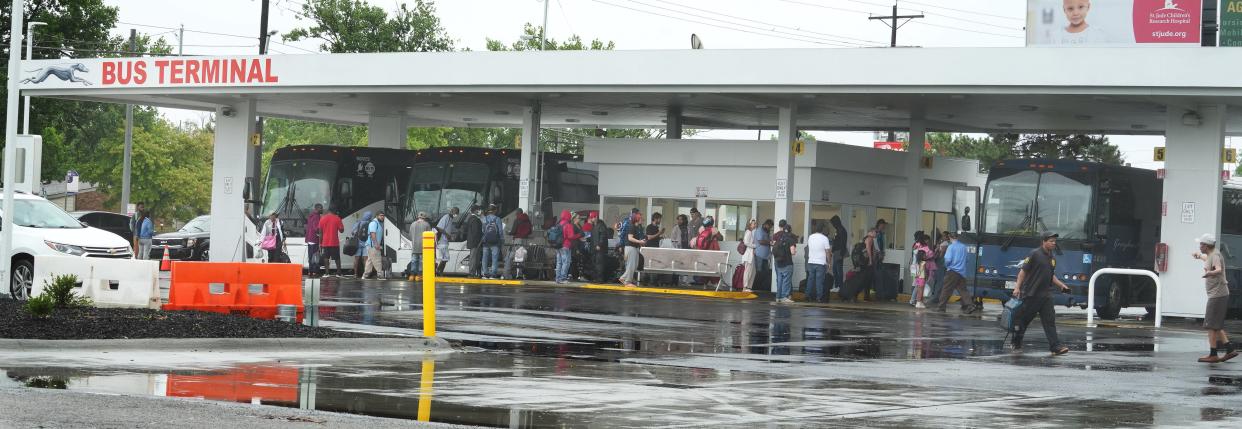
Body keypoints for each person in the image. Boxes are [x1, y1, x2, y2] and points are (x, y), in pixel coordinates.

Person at [1010, 233, 1070, 355]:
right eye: (1051, 241)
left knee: (1049, 321)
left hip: (1046, 295)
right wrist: (1017, 288)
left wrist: (1061, 285)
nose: (1054, 243)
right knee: (1023, 321)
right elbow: (1023, 272)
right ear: (1044, 241)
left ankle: (1055, 347)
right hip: (1031, 294)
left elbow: (1050, 274)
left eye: (1055, 241)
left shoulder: (1052, 258)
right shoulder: (1035, 254)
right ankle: (1016, 342)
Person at [1192, 234, 1237, 363]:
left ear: (1206, 245)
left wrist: (1209, 273)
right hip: (1218, 294)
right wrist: (1199, 256)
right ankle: (1230, 350)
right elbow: (1208, 259)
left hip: (1218, 295)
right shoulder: (1212, 254)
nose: (1199, 246)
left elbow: (1218, 269)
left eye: (1201, 244)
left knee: (1210, 325)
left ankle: (1213, 354)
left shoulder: (1215, 256)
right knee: (1215, 325)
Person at [935, 232, 980, 314]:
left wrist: (946, 265)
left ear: (950, 238)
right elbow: (967, 259)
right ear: (957, 237)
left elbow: (948, 260)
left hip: (952, 271)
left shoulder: (951, 247)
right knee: (963, 290)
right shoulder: (963, 247)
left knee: (946, 289)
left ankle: (941, 307)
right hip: (962, 272)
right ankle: (970, 305)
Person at [772, 220, 798, 303]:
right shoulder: (791, 239)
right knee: (786, 280)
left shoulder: (778, 237)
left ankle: (778, 297)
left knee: (779, 280)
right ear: (790, 230)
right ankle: (785, 296)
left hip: (778, 262)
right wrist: (794, 251)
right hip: (787, 262)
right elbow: (792, 252)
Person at [503, 208, 533, 280]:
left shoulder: (517, 220)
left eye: (516, 213)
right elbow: (530, 231)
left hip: (517, 240)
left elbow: (513, 231)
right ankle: (520, 274)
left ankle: (506, 274)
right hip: (525, 241)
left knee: (510, 256)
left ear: (518, 213)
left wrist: (508, 233)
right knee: (521, 257)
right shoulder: (528, 220)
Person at [556, 209, 584, 284]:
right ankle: (563, 278)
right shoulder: (568, 225)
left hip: (558, 246)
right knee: (566, 262)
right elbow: (571, 236)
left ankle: (558, 278)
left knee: (559, 263)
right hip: (565, 246)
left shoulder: (559, 224)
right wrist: (579, 235)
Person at [805, 223, 832, 303]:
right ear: (822, 230)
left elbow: (809, 247)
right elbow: (827, 252)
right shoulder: (825, 238)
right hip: (820, 262)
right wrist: (829, 262)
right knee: (819, 281)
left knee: (810, 279)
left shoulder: (810, 237)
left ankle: (807, 295)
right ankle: (819, 297)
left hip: (811, 261)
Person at [317, 206, 345, 277]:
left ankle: (327, 273)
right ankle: (338, 273)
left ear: (328, 211)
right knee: (337, 258)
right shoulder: (337, 218)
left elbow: (320, 233)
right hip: (334, 242)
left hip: (325, 242)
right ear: (334, 211)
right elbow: (341, 230)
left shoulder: (322, 219)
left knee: (326, 258)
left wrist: (320, 243)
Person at [620, 211, 645, 287]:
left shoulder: (636, 227)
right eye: (640, 218)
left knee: (634, 265)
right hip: (630, 247)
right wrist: (640, 241)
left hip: (634, 247)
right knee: (631, 265)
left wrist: (640, 242)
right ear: (637, 219)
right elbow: (630, 238)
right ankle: (627, 282)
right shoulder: (632, 226)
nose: (642, 219)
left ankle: (624, 277)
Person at [480, 205, 505, 279]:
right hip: (495, 241)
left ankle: (485, 273)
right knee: (495, 258)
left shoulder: (484, 219)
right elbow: (500, 231)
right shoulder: (497, 219)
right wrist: (502, 239)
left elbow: (482, 230)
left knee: (485, 257)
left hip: (486, 241)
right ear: (495, 210)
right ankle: (493, 274)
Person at [910, 232, 933, 309]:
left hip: (915, 266)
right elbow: (925, 256)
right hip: (921, 267)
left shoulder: (915, 245)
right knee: (920, 286)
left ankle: (917, 300)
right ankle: (917, 301)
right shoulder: (923, 247)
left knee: (917, 284)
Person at [407, 212, 433, 279]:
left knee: (414, 260)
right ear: (424, 218)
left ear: (418, 217)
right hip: (423, 247)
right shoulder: (427, 224)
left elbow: (410, 236)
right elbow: (430, 236)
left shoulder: (412, 224)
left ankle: (412, 275)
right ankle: (419, 275)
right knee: (422, 261)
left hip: (414, 246)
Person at [362, 212, 387, 279]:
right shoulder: (374, 223)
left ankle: (365, 275)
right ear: (376, 216)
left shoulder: (377, 223)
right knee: (377, 259)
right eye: (381, 215)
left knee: (370, 260)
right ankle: (380, 274)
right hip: (373, 245)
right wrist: (376, 244)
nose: (382, 217)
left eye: (383, 216)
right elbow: (373, 234)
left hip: (371, 245)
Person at [435, 207, 459, 275]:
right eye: (455, 212)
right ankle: (439, 271)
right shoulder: (446, 217)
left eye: (457, 213)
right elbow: (439, 227)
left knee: (445, 258)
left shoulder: (450, 218)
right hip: (442, 241)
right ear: (451, 211)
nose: (456, 214)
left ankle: (439, 271)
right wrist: (447, 235)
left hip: (445, 241)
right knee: (445, 258)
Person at [589, 211, 611, 283]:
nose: (591, 219)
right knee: (595, 263)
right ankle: (596, 278)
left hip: (599, 248)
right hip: (594, 247)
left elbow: (603, 236)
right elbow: (594, 236)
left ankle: (600, 279)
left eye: (593, 217)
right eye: (591, 217)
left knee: (599, 264)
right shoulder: (594, 225)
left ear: (596, 217)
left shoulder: (601, 225)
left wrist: (599, 245)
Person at [644, 213, 666, 286]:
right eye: (659, 219)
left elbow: (655, 237)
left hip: (655, 248)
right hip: (650, 248)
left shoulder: (656, 227)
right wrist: (659, 233)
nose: (660, 220)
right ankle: (649, 281)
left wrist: (660, 236)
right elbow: (649, 237)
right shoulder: (649, 227)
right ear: (655, 219)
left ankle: (652, 281)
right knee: (649, 264)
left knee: (654, 264)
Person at [463, 205, 484, 278]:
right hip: (475, 242)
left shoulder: (470, 218)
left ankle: (473, 273)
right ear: (475, 210)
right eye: (479, 210)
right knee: (473, 258)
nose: (480, 211)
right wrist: (478, 242)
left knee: (474, 257)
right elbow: (475, 232)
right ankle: (471, 273)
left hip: (473, 241)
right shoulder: (475, 219)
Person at [754, 220, 774, 292]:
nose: (770, 228)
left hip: (766, 256)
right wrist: (770, 242)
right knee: (759, 272)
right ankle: (756, 288)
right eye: (769, 226)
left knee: (765, 272)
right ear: (766, 224)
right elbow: (761, 241)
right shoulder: (759, 230)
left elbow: (768, 240)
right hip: (759, 255)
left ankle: (762, 288)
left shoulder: (766, 232)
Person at [352, 212, 372, 278]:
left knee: (356, 259)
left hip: (358, 243)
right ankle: (365, 274)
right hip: (367, 243)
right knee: (365, 259)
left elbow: (353, 232)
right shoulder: (370, 223)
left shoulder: (358, 222)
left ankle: (355, 274)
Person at [829, 216, 847, 292]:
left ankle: (839, 286)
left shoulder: (841, 230)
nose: (833, 225)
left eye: (833, 223)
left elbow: (842, 242)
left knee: (838, 270)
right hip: (837, 252)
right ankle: (837, 286)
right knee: (835, 270)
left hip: (839, 252)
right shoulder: (839, 229)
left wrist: (841, 253)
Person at [305, 204, 323, 277]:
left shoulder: (311, 216)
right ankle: (315, 271)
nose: (322, 209)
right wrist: (321, 232)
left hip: (309, 239)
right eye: (321, 208)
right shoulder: (316, 217)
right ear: (317, 208)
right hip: (314, 239)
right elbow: (316, 228)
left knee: (310, 256)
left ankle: (310, 271)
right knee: (315, 256)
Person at [741, 219, 758, 293]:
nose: (755, 225)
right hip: (748, 255)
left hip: (750, 255)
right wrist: (755, 246)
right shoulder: (748, 232)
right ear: (750, 225)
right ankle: (745, 287)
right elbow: (746, 242)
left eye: (755, 224)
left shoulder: (750, 232)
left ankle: (748, 287)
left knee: (752, 271)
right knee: (748, 271)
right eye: (753, 224)